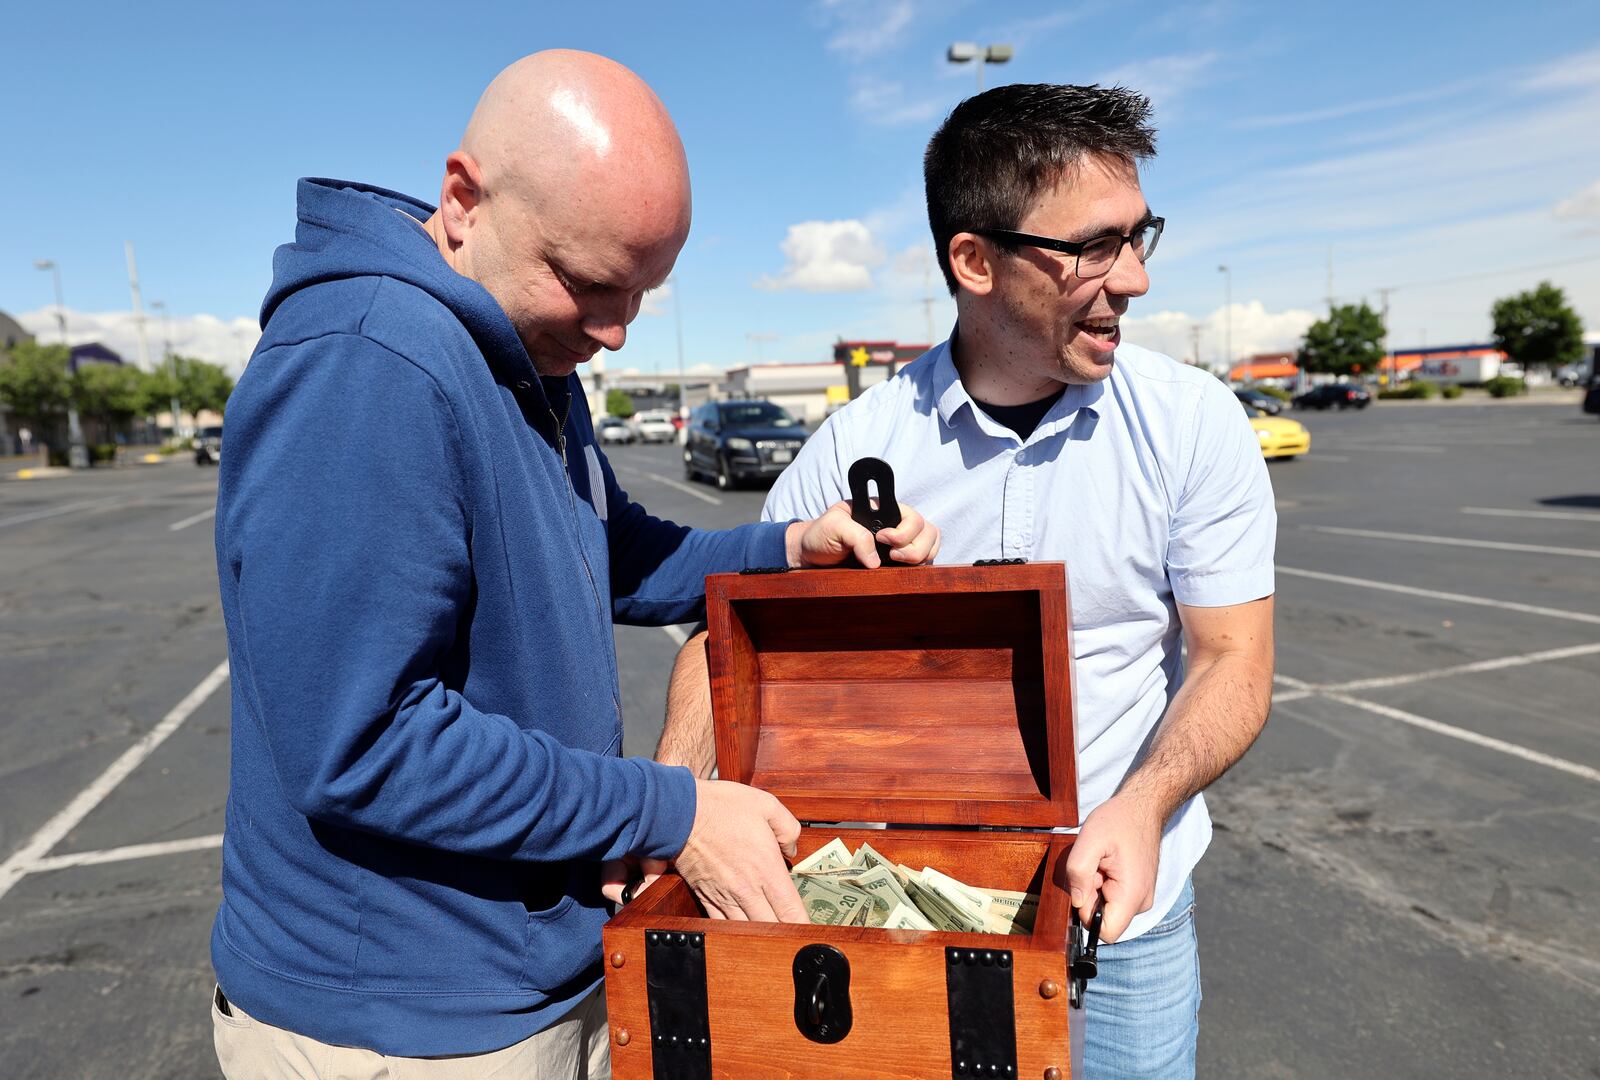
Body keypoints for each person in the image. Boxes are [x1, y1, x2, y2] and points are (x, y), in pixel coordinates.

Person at [208, 51, 938, 1079]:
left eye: (642, 292)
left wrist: (788, 547)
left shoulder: (525, 349)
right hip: (411, 1025)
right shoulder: (367, 362)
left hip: (535, 974)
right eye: (590, 284)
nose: (616, 332)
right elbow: (362, 741)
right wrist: (671, 812)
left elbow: (614, 549)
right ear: (463, 200)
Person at [658, 83, 1275, 1079]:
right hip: (910, 930)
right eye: (1093, 247)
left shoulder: (1193, 424)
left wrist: (1144, 804)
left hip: (1124, 922)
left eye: (1138, 235)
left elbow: (1232, 658)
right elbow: (718, 644)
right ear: (974, 261)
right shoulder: (855, 445)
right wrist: (677, 804)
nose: (1134, 278)